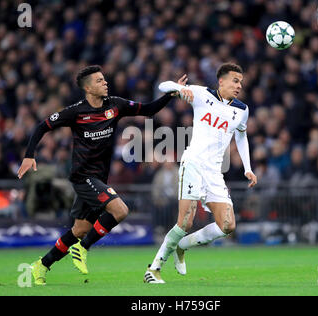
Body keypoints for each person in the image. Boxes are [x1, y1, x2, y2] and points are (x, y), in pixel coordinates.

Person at [18, 65, 183, 285]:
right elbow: (42, 126)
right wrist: (29, 155)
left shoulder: (115, 105)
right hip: (82, 176)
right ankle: (83, 248)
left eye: (104, 79)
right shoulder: (75, 112)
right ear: (87, 88)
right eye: (99, 81)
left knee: (80, 229)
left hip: (98, 179)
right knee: (121, 210)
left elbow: (149, 110)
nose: (105, 82)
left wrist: (171, 94)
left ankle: (42, 265)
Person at [144, 63, 257, 283]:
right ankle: (154, 268)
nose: (239, 86)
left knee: (228, 225)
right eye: (235, 81)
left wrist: (248, 168)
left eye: (241, 82)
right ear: (221, 81)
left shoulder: (242, 110)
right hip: (193, 164)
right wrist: (177, 87)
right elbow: (162, 86)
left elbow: (241, 137)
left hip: (215, 171)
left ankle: (182, 245)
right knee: (185, 222)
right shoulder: (202, 94)